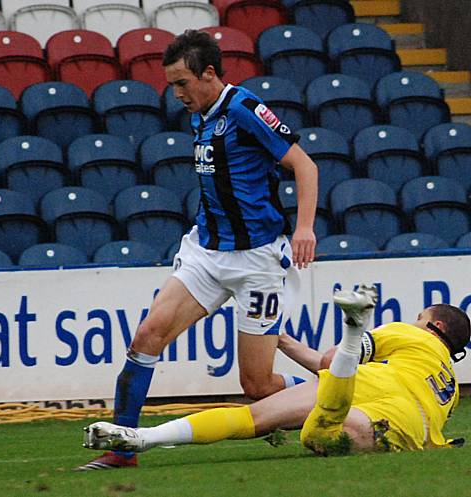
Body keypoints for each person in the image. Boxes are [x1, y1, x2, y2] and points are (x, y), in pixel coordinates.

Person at [76, 29, 319, 470]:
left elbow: (304, 164)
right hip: (206, 252)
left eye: (182, 82)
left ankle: (331, 392)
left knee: (258, 385)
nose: (177, 93)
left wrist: (304, 228)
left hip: (257, 261)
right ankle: (121, 449)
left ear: (209, 73)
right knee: (147, 336)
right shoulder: (200, 114)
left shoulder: (244, 108)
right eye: (171, 84)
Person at [83, 286, 470, 456]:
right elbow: (326, 366)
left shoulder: (407, 334)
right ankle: (337, 397)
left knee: (250, 417)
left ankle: (144, 437)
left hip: (359, 394)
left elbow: (328, 360)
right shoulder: (449, 386)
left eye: (421, 318)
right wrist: (283, 342)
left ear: (433, 326)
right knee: (323, 427)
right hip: (396, 431)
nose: (413, 321)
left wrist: (340, 347)